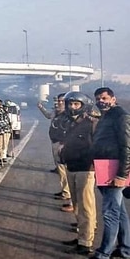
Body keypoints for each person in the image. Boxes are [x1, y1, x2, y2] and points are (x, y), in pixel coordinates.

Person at [90, 87, 130, 259]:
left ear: (113, 99)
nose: (101, 101)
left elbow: (127, 147)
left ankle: (103, 254)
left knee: (110, 212)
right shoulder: (107, 116)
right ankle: (125, 249)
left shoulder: (120, 116)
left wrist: (122, 175)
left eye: (105, 98)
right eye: (98, 98)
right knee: (119, 212)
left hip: (114, 169)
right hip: (105, 167)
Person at [57, 92, 97, 255]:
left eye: (76, 104)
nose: (72, 107)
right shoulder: (69, 123)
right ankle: (81, 236)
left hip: (85, 169)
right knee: (77, 206)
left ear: (83, 105)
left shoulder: (91, 123)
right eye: (70, 104)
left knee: (86, 206)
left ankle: (86, 242)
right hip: (71, 167)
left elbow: (96, 146)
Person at [38, 93, 73, 212]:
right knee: (60, 169)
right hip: (55, 142)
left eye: (62, 101)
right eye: (58, 101)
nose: (59, 103)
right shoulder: (56, 113)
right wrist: (41, 108)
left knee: (64, 169)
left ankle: (67, 192)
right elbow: (48, 115)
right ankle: (65, 190)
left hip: (62, 144)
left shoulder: (68, 115)